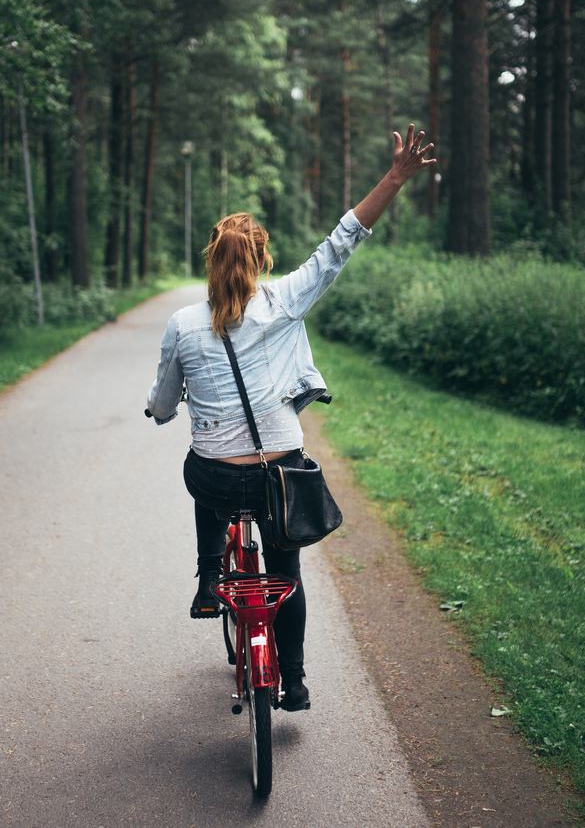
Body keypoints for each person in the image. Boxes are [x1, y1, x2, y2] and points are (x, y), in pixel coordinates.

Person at [145, 124, 438, 712]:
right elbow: (342, 240)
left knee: (203, 473)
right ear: (262, 259)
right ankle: (295, 681)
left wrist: (161, 411)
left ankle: (209, 578)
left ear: (210, 259)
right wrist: (395, 177)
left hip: (221, 479)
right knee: (286, 571)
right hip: (280, 471)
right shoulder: (283, 303)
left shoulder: (182, 324)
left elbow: (163, 399)